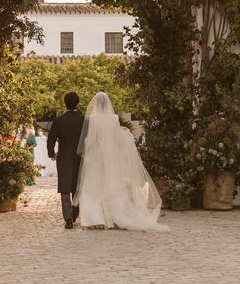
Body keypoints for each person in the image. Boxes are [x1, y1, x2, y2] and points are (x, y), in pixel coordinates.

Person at [73, 92, 169, 232]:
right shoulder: (113, 118)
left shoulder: (93, 118)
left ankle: (94, 219)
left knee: (93, 187)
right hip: (111, 156)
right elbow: (116, 139)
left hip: (97, 157)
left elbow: (91, 140)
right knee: (112, 185)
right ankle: (114, 216)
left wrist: (89, 150)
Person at [47, 92, 84, 228]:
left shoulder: (58, 121)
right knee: (77, 186)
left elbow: (51, 138)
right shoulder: (83, 120)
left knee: (64, 187)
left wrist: (51, 153)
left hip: (63, 157)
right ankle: (75, 214)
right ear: (77, 103)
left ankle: (68, 218)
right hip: (80, 157)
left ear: (65, 103)